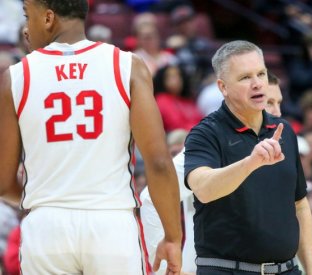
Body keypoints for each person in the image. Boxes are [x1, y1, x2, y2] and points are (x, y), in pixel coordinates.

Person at [0, 1, 182, 274]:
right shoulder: (127, 65)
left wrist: (42, 199)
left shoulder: (15, 77)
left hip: (47, 228)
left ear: (48, 18)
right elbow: (157, 162)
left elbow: (3, 183)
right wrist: (172, 236)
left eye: (28, 17)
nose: (26, 28)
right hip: (111, 226)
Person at [184, 40, 312, 274]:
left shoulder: (284, 130)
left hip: (287, 270)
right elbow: (203, 189)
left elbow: (300, 205)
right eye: (245, 77)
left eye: (261, 74)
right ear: (223, 87)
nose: (257, 84)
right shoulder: (205, 133)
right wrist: (250, 163)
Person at [141, 70, 288, 274]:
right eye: (269, 103)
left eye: (279, 103)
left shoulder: (281, 148)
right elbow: (151, 198)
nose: (278, 112)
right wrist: (165, 270)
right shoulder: (211, 142)